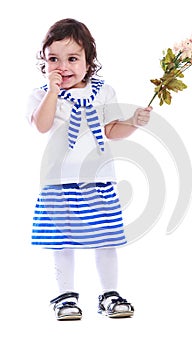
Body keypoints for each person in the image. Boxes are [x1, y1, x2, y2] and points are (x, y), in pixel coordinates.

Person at [26, 18, 152, 320]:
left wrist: (133, 122)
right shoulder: (42, 94)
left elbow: (110, 130)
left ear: (88, 61)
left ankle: (109, 293)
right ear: (43, 62)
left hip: (99, 180)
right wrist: (52, 93)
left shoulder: (103, 92)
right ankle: (64, 296)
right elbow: (41, 125)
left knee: (106, 240)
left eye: (72, 59)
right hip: (60, 182)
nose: (63, 67)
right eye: (53, 59)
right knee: (61, 242)